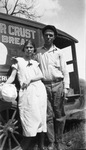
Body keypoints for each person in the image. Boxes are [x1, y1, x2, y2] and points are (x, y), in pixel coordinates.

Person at [5, 39, 47, 150]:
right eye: (27, 47)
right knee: (31, 117)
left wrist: (29, 79)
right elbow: (12, 77)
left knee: (41, 117)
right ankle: (27, 144)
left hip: (39, 90)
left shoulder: (35, 63)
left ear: (33, 50)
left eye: (31, 47)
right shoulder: (18, 61)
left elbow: (41, 75)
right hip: (27, 93)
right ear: (24, 49)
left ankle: (41, 146)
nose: (29, 49)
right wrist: (4, 85)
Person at [36, 25, 70, 150]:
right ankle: (51, 141)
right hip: (44, 86)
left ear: (54, 37)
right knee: (48, 115)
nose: (48, 37)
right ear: (43, 36)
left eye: (51, 35)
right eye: (46, 35)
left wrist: (66, 88)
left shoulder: (59, 52)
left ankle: (59, 141)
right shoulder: (38, 52)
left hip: (58, 85)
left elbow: (65, 71)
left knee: (59, 114)